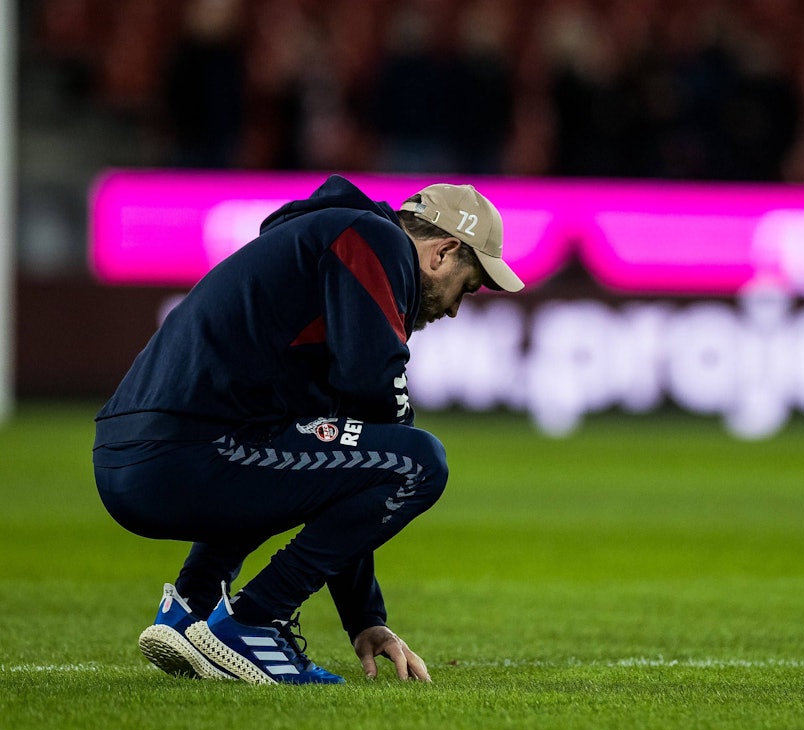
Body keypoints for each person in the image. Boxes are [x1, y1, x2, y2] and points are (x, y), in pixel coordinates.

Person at [92, 175, 524, 685]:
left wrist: (365, 617)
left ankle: (191, 609)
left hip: (132, 457)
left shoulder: (321, 251)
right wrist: (396, 428)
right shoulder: (373, 238)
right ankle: (253, 621)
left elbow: (340, 471)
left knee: (308, 454)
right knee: (420, 460)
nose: (454, 308)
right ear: (442, 253)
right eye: (467, 287)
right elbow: (375, 401)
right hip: (186, 454)